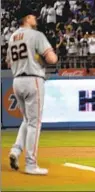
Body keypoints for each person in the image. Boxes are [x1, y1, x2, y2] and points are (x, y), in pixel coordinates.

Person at [6, 6, 58, 175]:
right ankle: (31, 164)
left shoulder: (12, 37)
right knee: (35, 123)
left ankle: (15, 150)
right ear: (26, 18)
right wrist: (40, 58)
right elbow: (52, 58)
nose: (35, 18)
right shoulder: (36, 35)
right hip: (33, 79)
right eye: (33, 16)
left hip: (17, 80)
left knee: (28, 120)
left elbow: (8, 62)